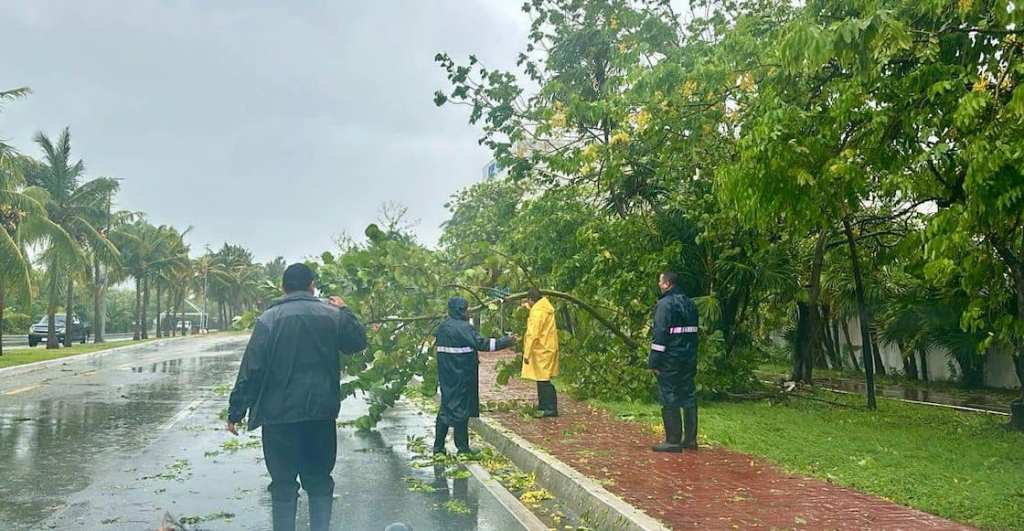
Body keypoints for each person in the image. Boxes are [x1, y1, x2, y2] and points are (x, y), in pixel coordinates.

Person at [226, 263, 367, 531]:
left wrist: (236, 411)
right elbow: (357, 343)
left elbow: (252, 369)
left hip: (278, 417)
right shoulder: (332, 315)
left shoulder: (269, 320)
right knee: (319, 479)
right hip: (319, 413)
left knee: (282, 483)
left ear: (283, 287)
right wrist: (345, 310)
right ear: (312, 285)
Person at [433, 296, 516, 456]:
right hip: (462, 376)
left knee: (445, 408)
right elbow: (483, 344)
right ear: (461, 310)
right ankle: (462, 448)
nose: (468, 312)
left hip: (446, 376)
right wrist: (506, 341)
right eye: (466, 309)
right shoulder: (465, 328)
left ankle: (438, 448)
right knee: (461, 412)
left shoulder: (442, 327)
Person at [647, 271, 699, 452]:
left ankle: (673, 440)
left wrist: (653, 362)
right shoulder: (691, 304)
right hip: (689, 358)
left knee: (668, 395)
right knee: (689, 395)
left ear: (667, 284)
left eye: (660, 282)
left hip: (670, 359)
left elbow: (660, 335)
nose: (659, 285)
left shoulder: (664, 305)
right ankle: (690, 440)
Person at [521, 287, 560, 417]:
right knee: (542, 378)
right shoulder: (544, 308)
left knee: (543, 379)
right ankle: (544, 405)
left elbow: (533, 334)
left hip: (541, 349)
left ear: (531, 300)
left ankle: (550, 408)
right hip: (547, 347)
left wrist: (526, 353)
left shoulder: (537, 313)